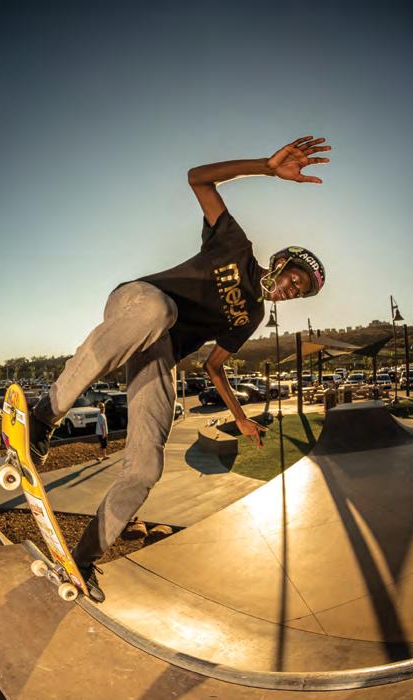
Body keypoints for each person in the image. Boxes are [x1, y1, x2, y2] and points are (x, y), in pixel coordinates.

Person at [30, 135, 330, 601]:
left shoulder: (250, 317)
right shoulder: (235, 245)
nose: (291, 289)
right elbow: (198, 179)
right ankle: (43, 418)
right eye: (293, 277)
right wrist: (266, 168)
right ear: (279, 261)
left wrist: (239, 417)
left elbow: (214, 367)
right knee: (160, 312)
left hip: (158, 352)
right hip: (136, 303)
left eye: (299, 291)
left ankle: (80, 561)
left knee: (146, 465)